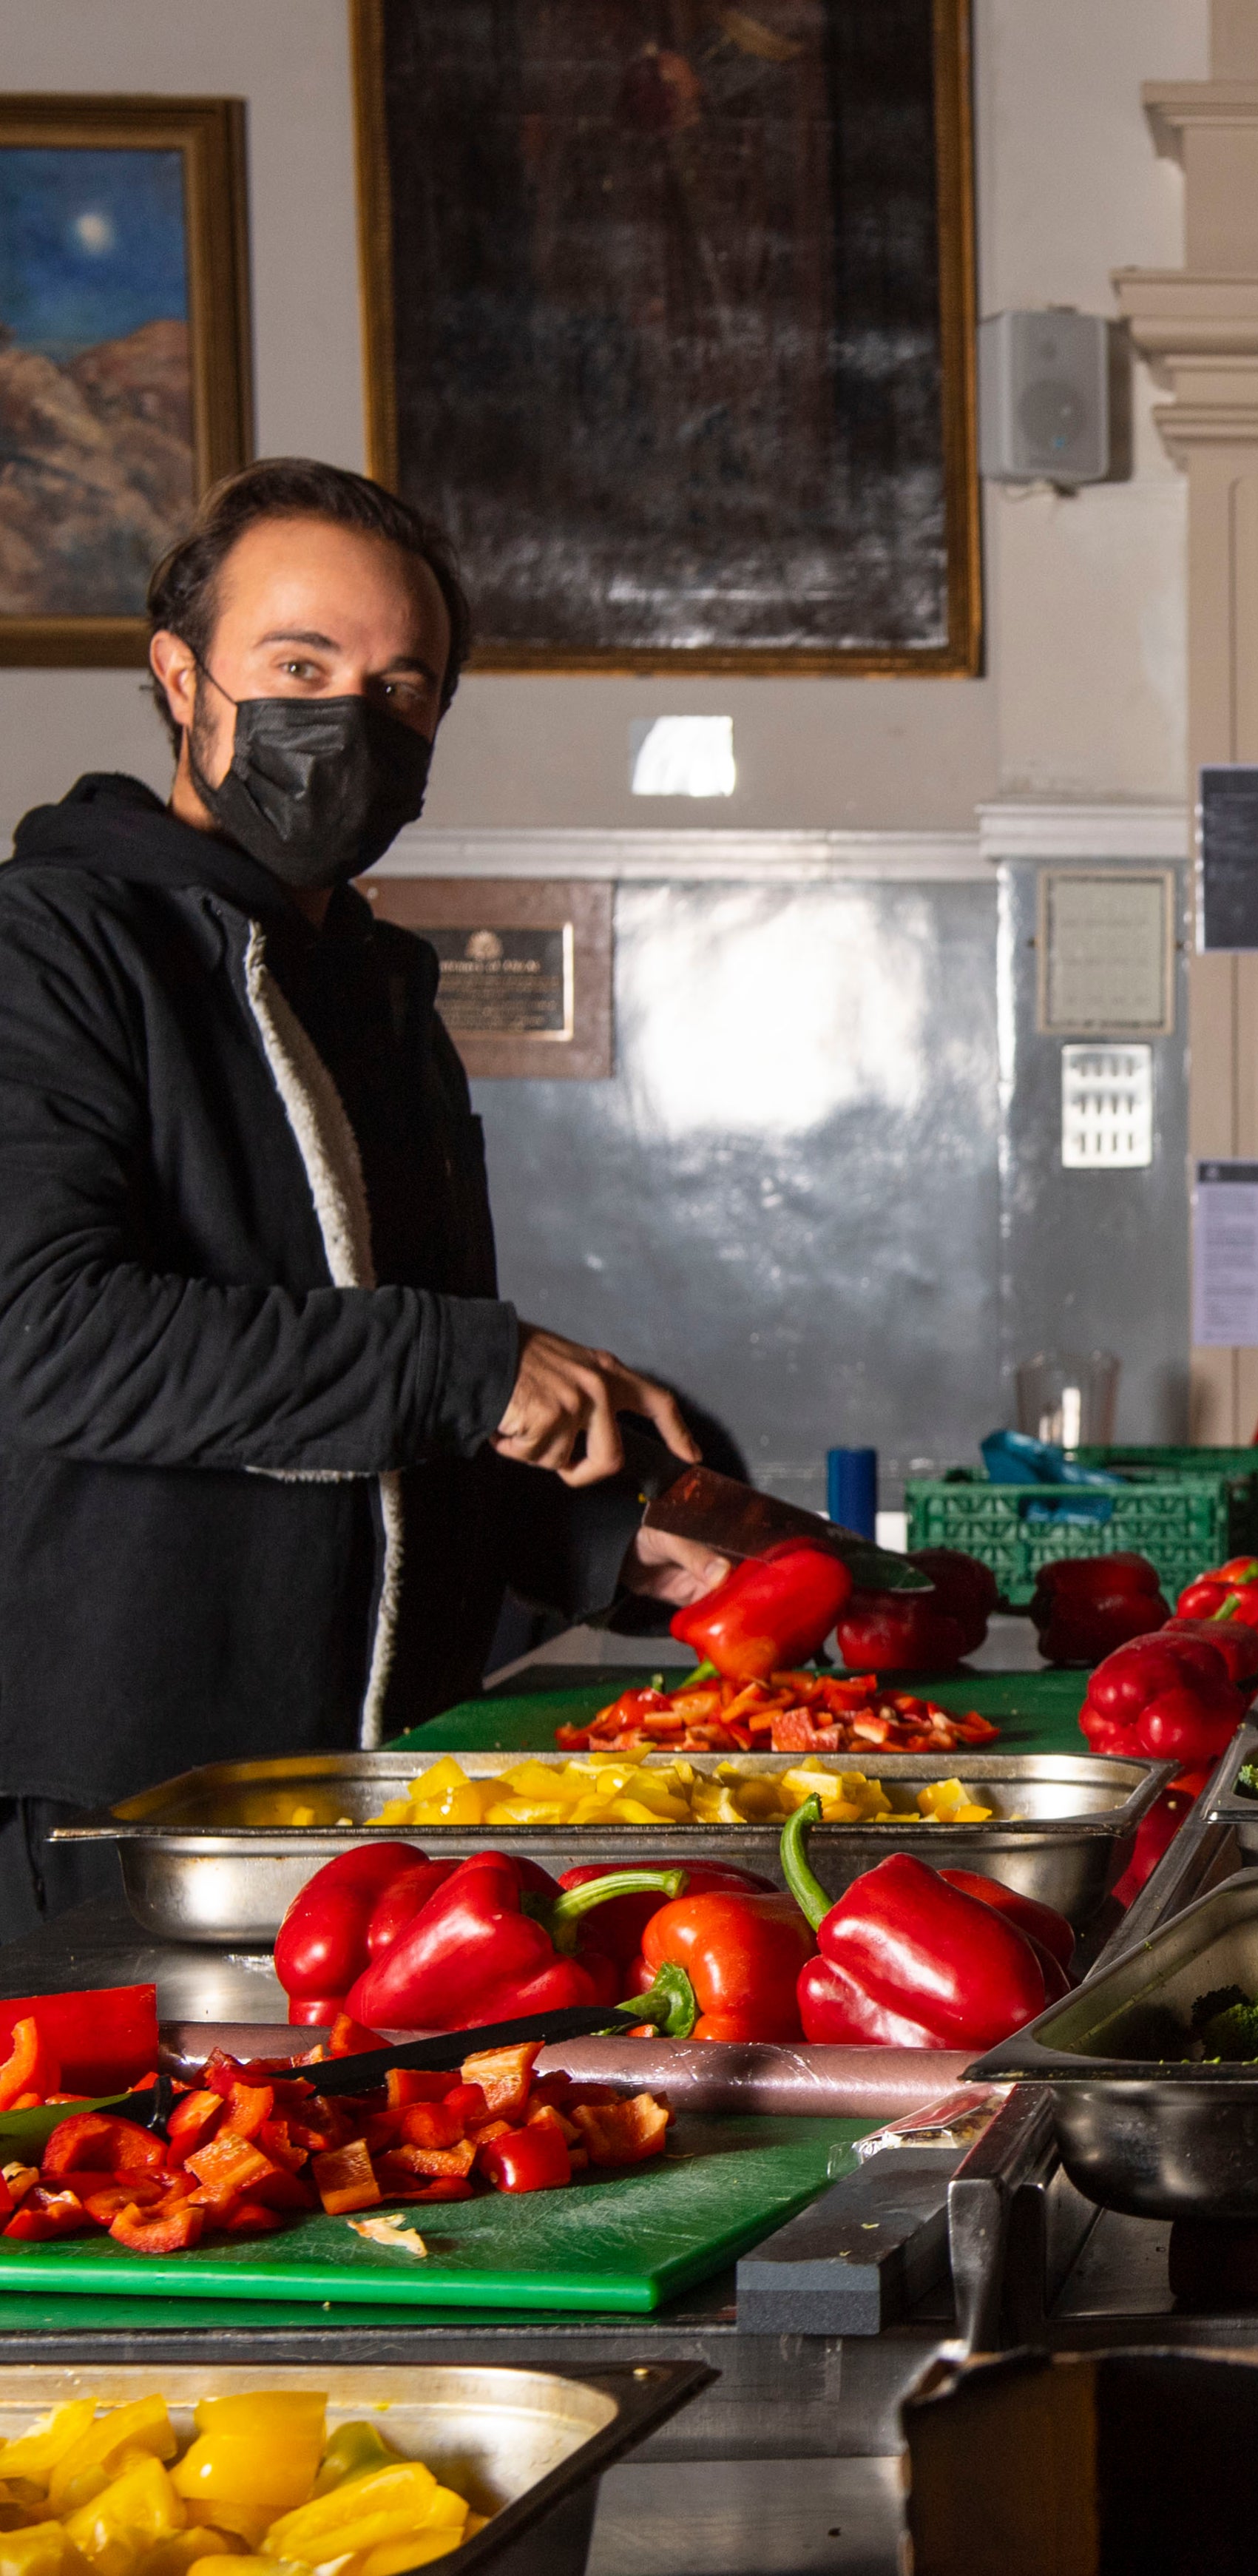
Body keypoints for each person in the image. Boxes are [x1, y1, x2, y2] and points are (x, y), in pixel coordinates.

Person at [0, 459, 720, 1942]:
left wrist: (592, 1544)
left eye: (403, 685)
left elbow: (371, 1409)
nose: (352, 719)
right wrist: (471, 1365)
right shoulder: (47, 950)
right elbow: (46, 1333)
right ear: (179, 678)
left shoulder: (377, 993)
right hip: (106, 1818)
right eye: (301, 665)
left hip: (372, 1803)